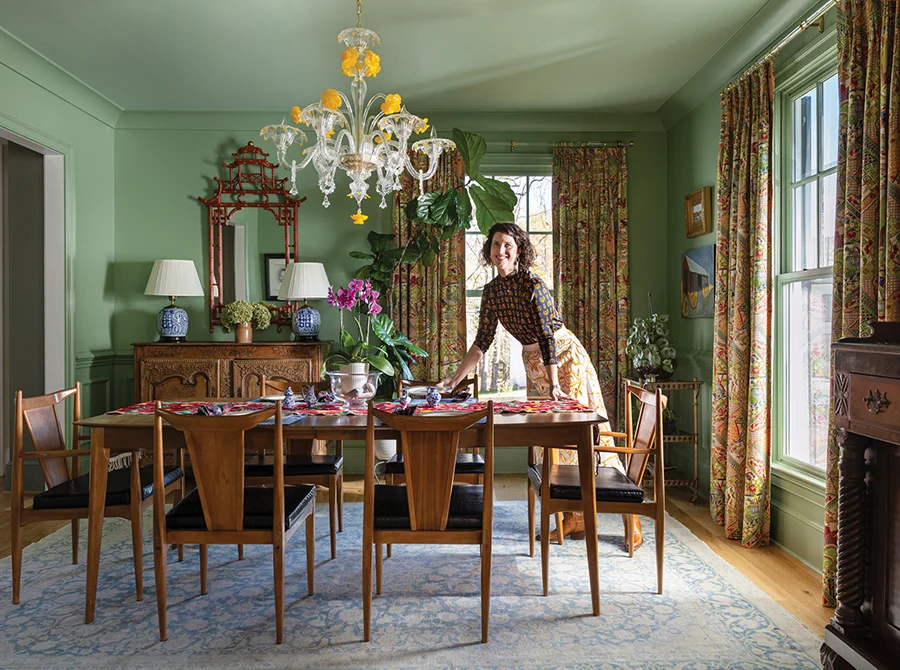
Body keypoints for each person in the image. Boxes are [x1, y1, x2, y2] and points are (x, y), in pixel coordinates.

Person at [441, 222, 641, 547]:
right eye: (495, 244)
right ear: (488, 249)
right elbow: (481, 343)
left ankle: (631, 520)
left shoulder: (533, 284)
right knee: (548, 442)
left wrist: (553, 383)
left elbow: (547, 334)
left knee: (585, 434)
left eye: (508, 245)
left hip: (562, 358)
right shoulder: (492, 292)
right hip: (534, 363)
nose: (501, 251)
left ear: (519, 249)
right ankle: (571, 519)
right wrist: (454, 378)